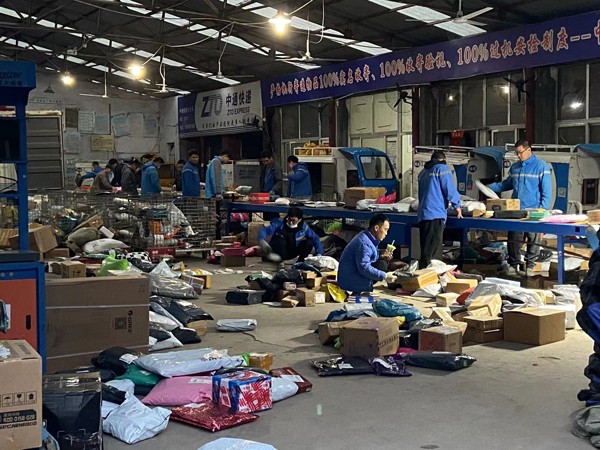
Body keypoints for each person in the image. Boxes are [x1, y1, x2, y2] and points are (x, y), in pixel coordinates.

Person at [487, 139, 552, 276]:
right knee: (514, 239)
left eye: (520, 153)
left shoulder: (541, 167)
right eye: (516, 153)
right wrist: (489, 187)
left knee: (533, 239)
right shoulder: (515, 167)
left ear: (529, 150)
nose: (518, 156)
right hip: (516, 210)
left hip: (534, 210)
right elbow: (507, 184)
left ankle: (530, 266)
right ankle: (514, 265)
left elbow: (546, 191)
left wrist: (543, 210)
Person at [417, 150, 462, 269]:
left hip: (423, 214)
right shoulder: (442, 168)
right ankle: (428, 274)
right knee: (433, 252)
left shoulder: (423, 172)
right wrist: (457, 206)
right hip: (435, 214)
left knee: (426, 249)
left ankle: (423, 273)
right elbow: (449, 189)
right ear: (443, 160)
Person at [337, 214, 397, 294]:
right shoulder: (364, 244)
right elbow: (364, 267)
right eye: (385, 230)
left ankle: (361, 287)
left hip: (350, 275)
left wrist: (380, 253)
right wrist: (384, 276)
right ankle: (358, 289)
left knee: (382, 262)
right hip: (349, 280)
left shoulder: (367, 236)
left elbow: (368, 255)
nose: (386, 233)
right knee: (381, 265)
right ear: (376, 228)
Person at [258, 207, 323, 263]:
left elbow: (315, 239)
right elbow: (264, 230)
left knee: (309, 243)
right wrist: (262, 240)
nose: (291, 222)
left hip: (292, 251)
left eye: (294, 220)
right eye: (289, 219)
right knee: (280, 240)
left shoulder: (304, 228)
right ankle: (277, 260)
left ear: (299, 220)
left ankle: (300, 262)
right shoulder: (280, 223)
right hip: (278, 251)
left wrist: (319, 253)